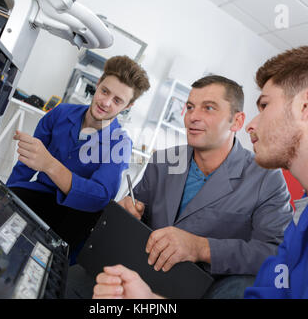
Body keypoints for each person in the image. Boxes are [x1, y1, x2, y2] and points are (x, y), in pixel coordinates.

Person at [93, 41, 308, 299]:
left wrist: (201, 248)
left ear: (306, 104)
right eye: (189, 108)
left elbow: (270, 255)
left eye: (264, 105)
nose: (253, 125)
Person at [68, 75, 293, 299]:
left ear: (237, 121)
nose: (193, 117)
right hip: (133, 271)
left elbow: (275, 253)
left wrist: (202, 248)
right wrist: (127, 211)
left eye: (209, 108)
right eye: (190, 107)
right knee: (64, 283)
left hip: (196, 290)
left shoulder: (266, 178)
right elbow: (134, 209)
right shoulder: (163, 161)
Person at [6, 56, 150, 261]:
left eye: (117, 100)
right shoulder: (60, 113)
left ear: (128, 106)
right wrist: (6, 196)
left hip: (75, 219)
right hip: (38, 197)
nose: (106, 103)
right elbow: (26, 164)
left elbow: (100, 197)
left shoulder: (120, 144)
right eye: (105, 91)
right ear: (98, 82)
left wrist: (50, 165)